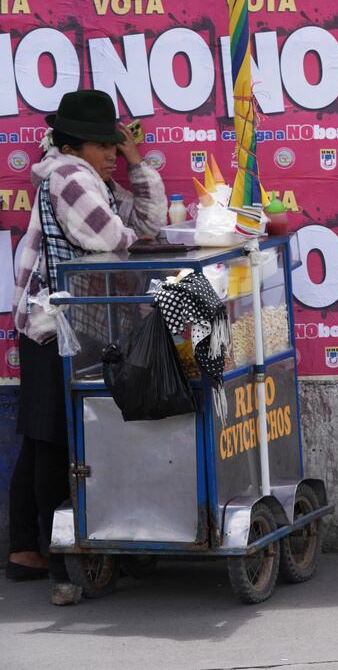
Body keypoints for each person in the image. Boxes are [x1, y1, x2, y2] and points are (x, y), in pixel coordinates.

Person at [6, 89, 166, 604]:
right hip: (57, 325)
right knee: (54, 437)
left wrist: (137, 163)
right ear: (77, 144)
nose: (112, 155)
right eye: (106, 145)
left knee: (42, 436)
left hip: (63, 324)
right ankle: (57, 559)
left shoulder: (89, 178)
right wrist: (125, 213)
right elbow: (113, 238)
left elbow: (146, 224)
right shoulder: (70, 176)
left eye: (115, 147)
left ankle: (25, 550)